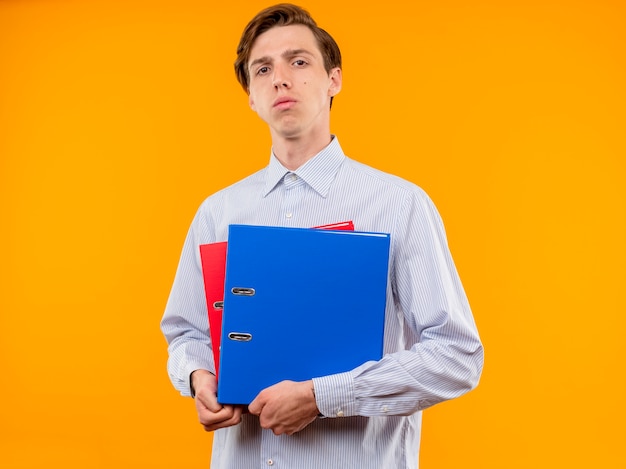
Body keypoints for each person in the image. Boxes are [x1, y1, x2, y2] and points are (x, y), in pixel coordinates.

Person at [161, 3, 484, 468]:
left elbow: (457, 357)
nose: (280, 79)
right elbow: (186, 331)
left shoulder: (399, 204)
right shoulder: (218, 212)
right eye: (263, 68)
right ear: (251, 96)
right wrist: (197, 375)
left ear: (334, 80)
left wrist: (324, 395)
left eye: (298, 61)